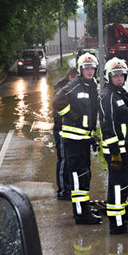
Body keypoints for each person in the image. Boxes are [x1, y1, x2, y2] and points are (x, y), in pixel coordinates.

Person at [53, 52, 101, 225]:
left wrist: (92, 135)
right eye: (87, 68)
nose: (90, 71)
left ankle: (84, 209)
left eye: (92, 68)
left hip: (84, 140)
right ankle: (80, 214)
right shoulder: (74, 85)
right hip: (73, 141)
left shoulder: (91, 85)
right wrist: (73, 116)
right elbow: (57, 102)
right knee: (77, 177)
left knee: (85, 176)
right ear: (81, 69)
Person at [98, 58, 128, 234]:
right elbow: (107, 126)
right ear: (108, 77)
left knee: (126, 182)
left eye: (121, 75)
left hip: (123, 149)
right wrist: (115, 153)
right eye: (115, 75)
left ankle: (124, 216)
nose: (119, 78)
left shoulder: (119, 93)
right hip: (115, 152)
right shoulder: (108, 96)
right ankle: (117, 225)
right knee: (117, 186)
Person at [52, 67, 78, 200]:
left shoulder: (69, 89)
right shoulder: (62, 91)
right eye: (76, 78)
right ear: (70, 78)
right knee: (63, 160)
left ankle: (68, 188)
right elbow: (58, 113)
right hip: (61, 129)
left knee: (68, 160)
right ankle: (63, 191)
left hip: (68, 129)